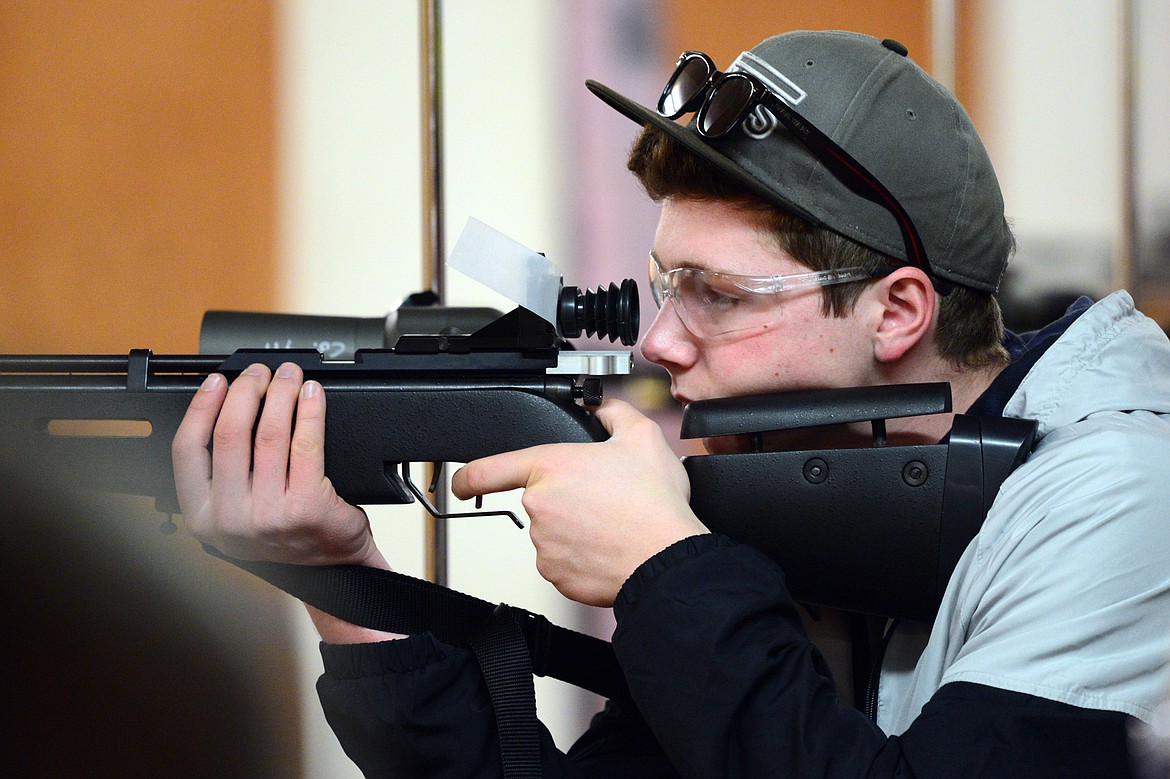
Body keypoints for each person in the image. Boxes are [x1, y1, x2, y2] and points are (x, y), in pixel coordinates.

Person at [171, 30, 1170, 777]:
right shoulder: (792, 484)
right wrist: (343, 581)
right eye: (667, 282)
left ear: (897, 310)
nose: (659, 339)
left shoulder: (1126, 495)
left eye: (719, 294)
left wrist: (665, 568)